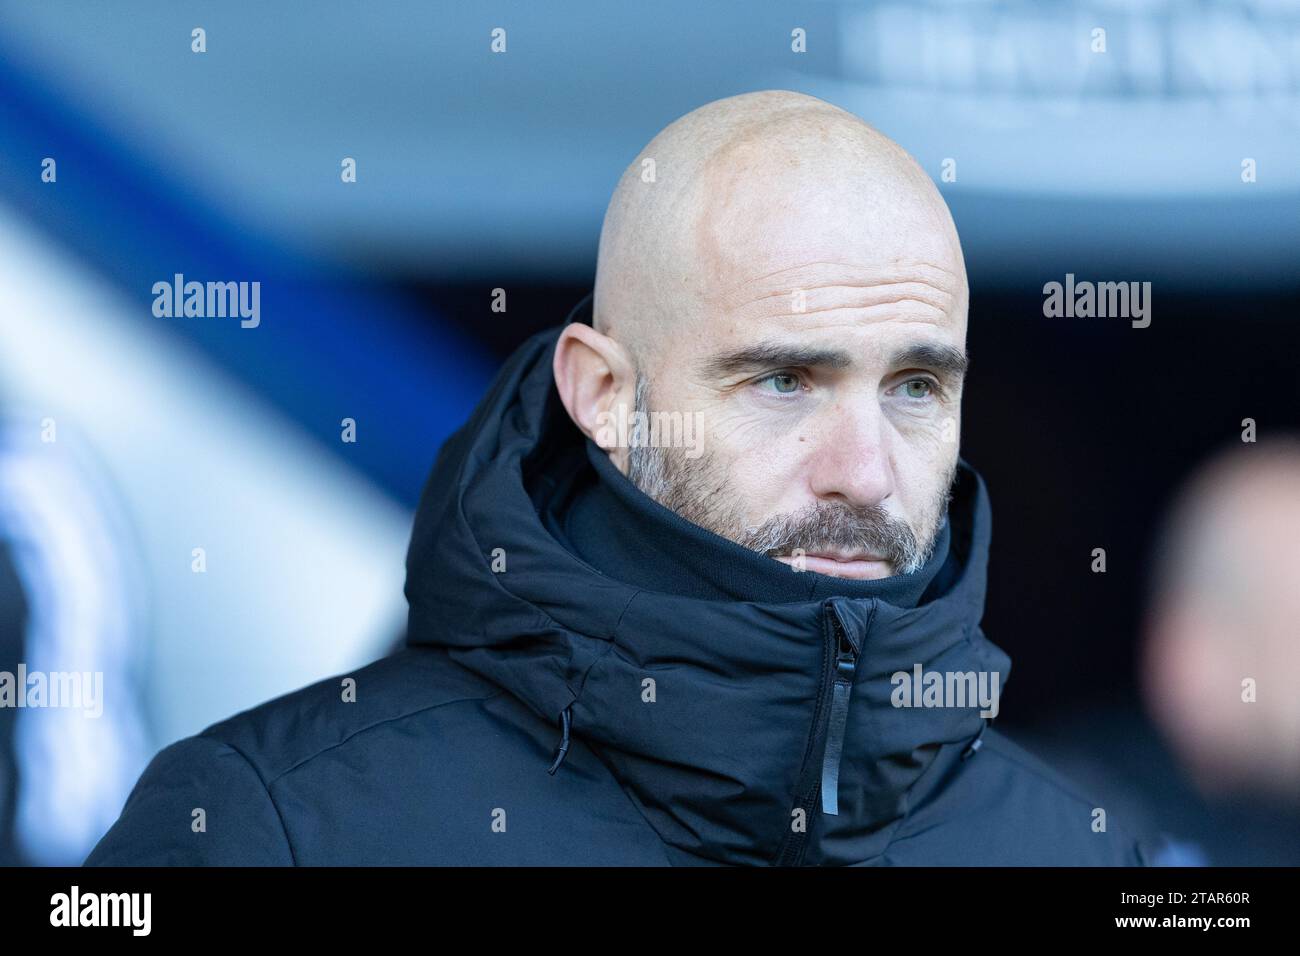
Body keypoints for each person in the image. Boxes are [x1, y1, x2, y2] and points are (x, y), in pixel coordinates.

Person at [84, 90, 1152, 866]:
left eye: (914, 386)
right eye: (783, 379)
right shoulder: (265, 823)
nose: (864, 473)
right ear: (600, 390)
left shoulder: (1086, 851)